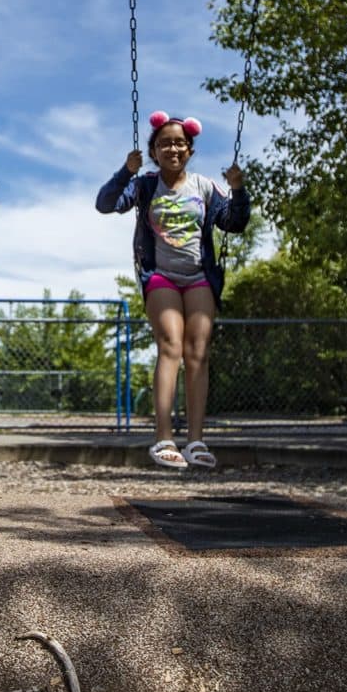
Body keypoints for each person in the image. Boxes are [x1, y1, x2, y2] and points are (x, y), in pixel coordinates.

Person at [96, 111, 249, 469]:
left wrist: (238, 189)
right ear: (154, 150)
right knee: (170, 346)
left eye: (180, 142)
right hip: (160, 274)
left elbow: (234, 223)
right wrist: (125, 172)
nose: (173, 148)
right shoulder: (145, 185)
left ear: (190, 149)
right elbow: (105, 204)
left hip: (198, 275)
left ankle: (195, 441)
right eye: (165, 142)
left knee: (198, 352)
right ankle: (163, 437)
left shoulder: (206, 187)